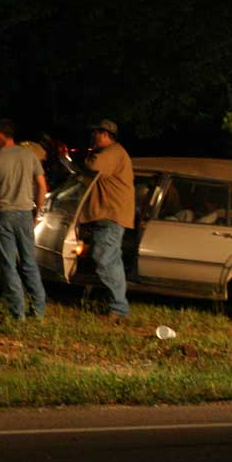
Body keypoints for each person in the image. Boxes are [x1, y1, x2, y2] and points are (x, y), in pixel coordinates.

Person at [0, 118, 47, 320]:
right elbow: (42, 186)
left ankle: (17, 312)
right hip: (25, 214)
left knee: (8, 265)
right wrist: (36, 211)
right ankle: (38, 310)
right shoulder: (29, 156)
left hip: (4, 215)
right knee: (29, 262)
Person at [79, 119, 135, 320]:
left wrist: (88, 154)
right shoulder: (115, 153)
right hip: (110, 215)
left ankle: (118, 308)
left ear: (104, 134)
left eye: (95, 133)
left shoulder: (112, 152)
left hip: (110, 215)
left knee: (105, 259)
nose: (92, 137)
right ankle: (117, 305)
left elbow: (92, 166)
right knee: (111, 260)